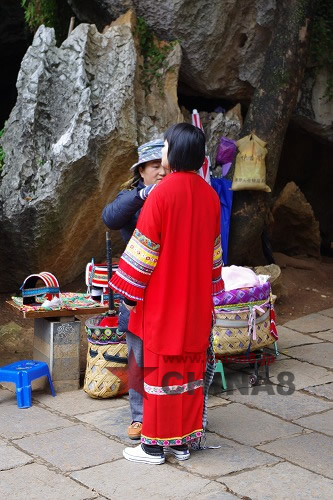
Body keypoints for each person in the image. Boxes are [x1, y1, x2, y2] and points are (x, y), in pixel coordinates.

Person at [110, 123, 224, 465]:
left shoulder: (161, 193)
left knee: (159, 371)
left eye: (164, 147)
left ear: (173, 152)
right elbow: (214, 255)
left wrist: (128, 294)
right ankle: (182, 443)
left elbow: (143, 254)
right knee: (189, 370)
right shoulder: (209, 195)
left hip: (162, 300)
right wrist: (212, 291)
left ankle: (153, 447)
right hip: (196, 301)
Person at [102, 138, 167, 440]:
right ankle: (139, 417)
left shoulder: (173, 194)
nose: (162, 172)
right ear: (142, 170)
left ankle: (168, 411)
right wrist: (143, 194)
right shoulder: (133, 197)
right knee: (137, 356)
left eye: (165, 166)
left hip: (168, 288)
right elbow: (110, 218)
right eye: (156, 167)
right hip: (138, 289)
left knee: (167, 353)